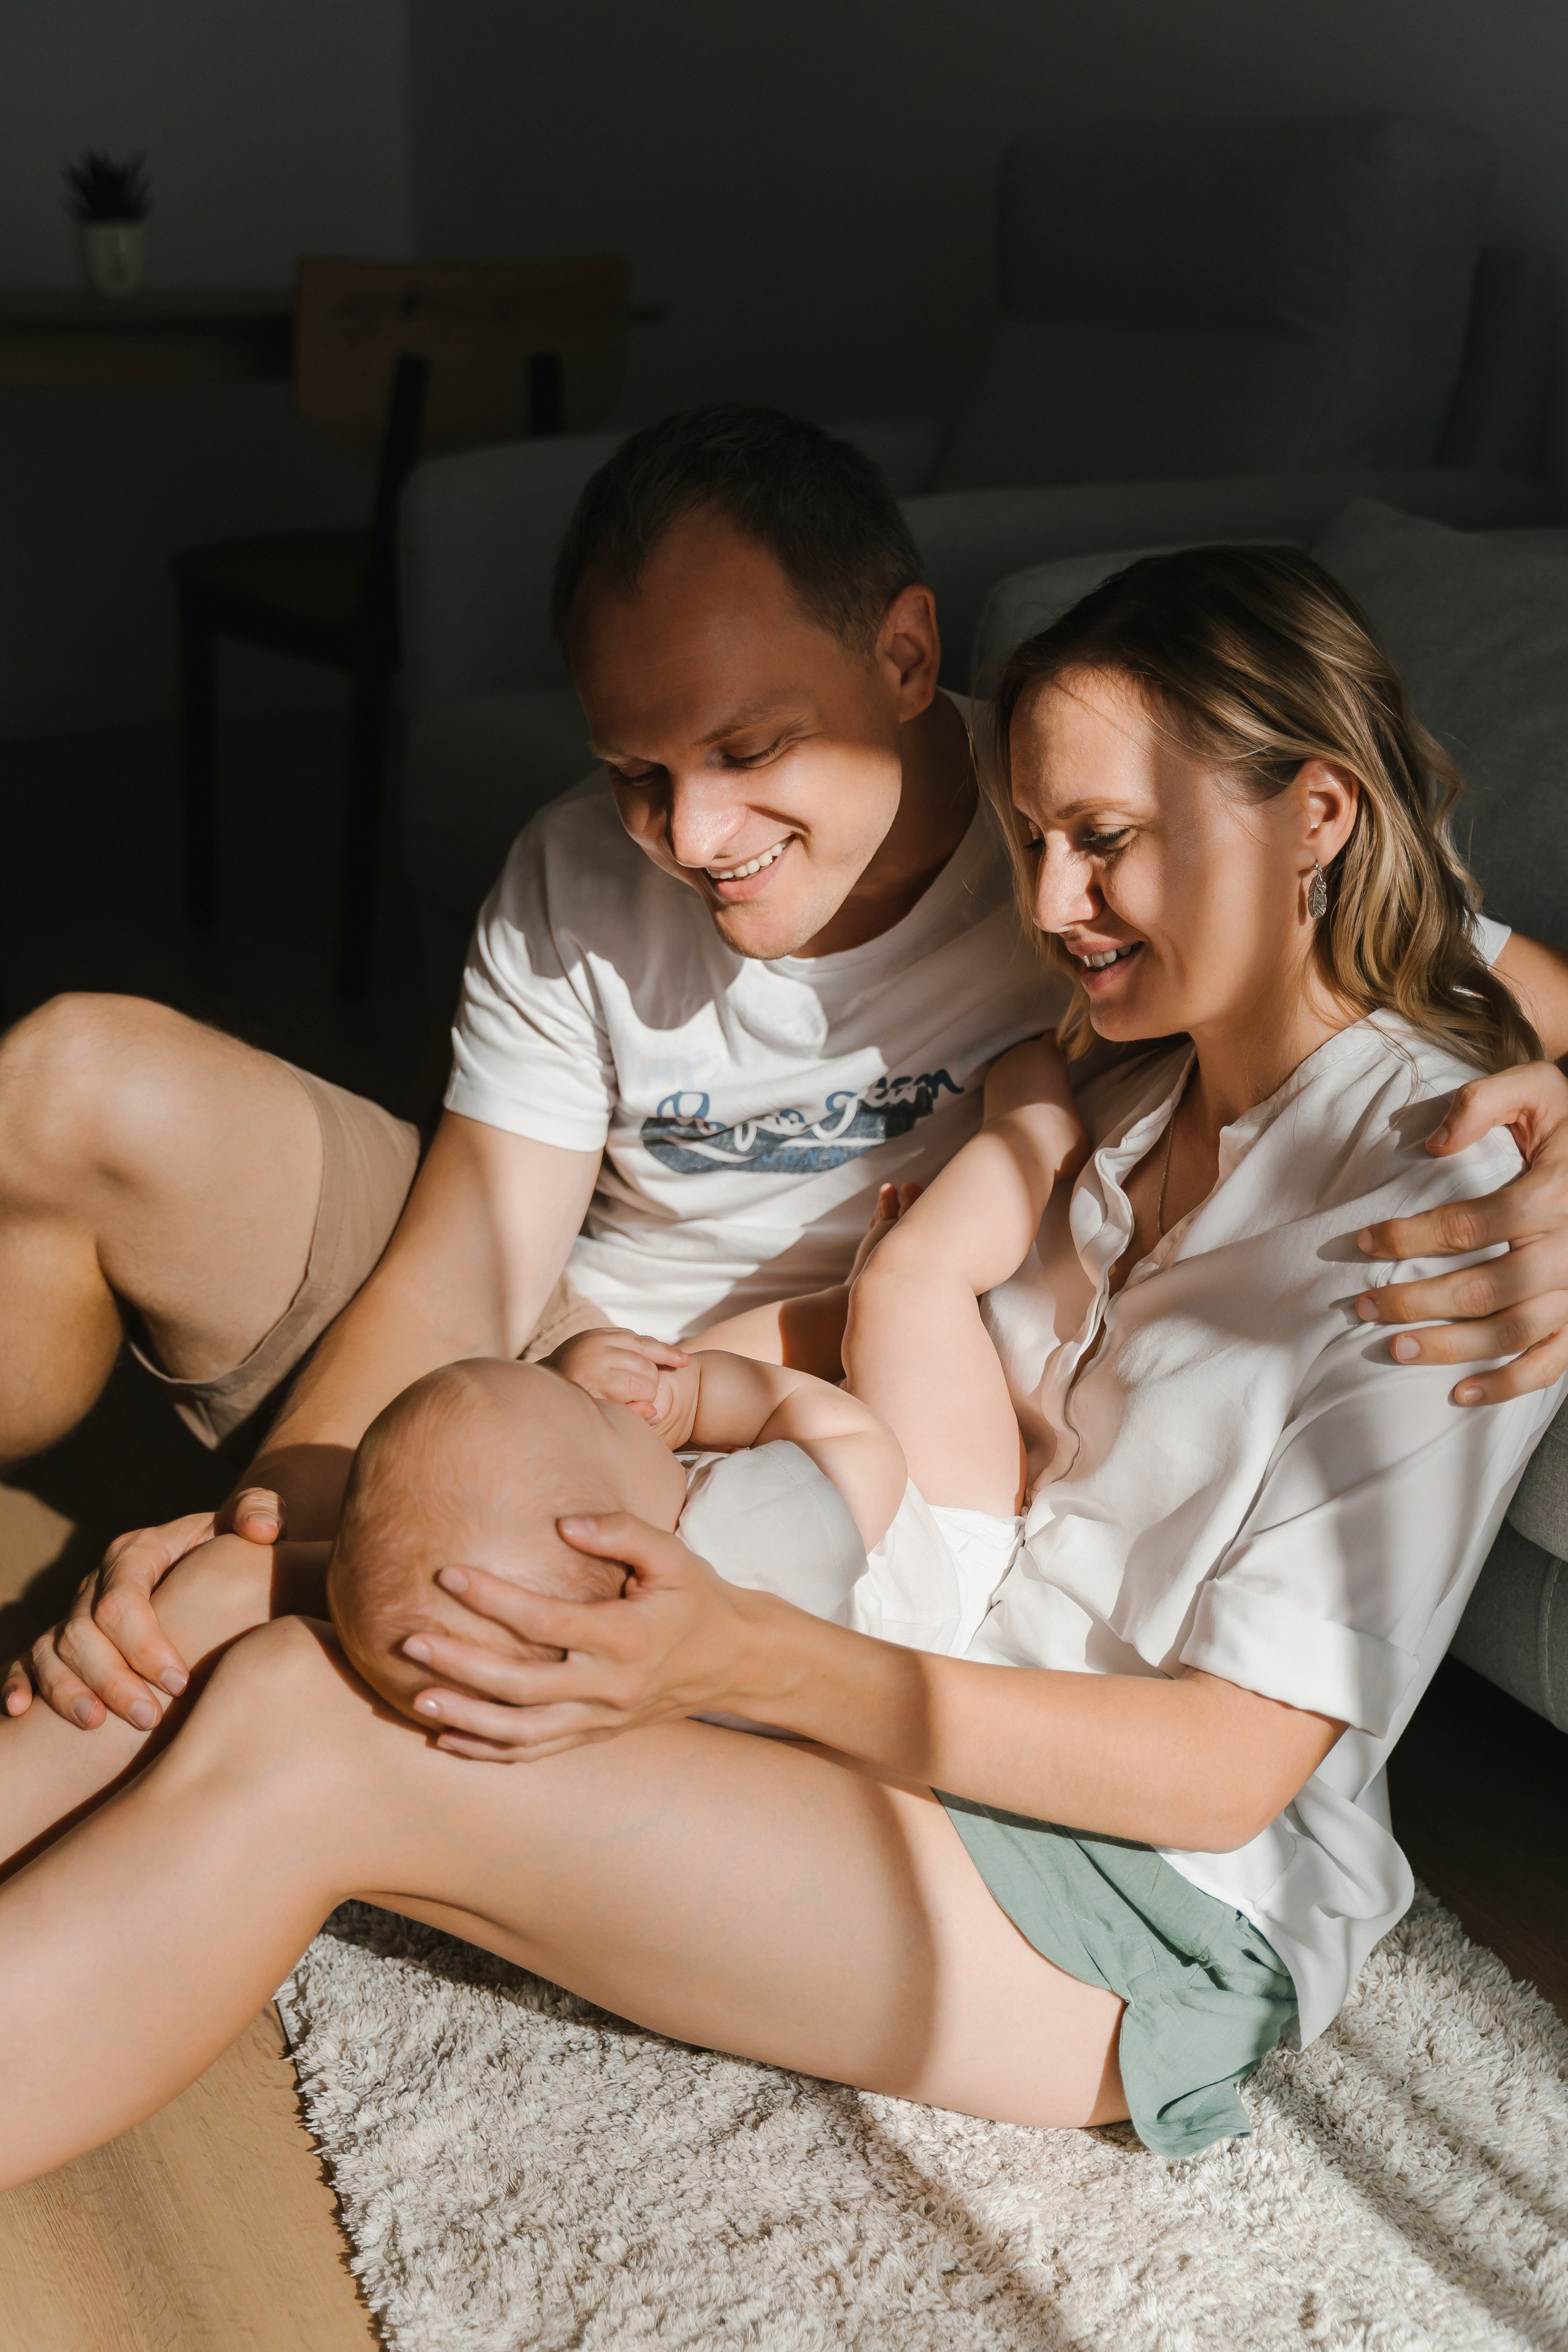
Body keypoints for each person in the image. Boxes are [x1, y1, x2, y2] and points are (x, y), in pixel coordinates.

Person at [1, 543, 1562, 2188]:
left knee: (304, 1730)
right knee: (233, 1611)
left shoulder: (1454, 1214)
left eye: (1104, 843)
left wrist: (734, 1659)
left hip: (1131, 1902)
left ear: (1313, 819)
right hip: (903, 1678)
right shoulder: (1120, 1085)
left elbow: (1228, 1768)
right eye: (1037, 842)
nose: (1047, 906)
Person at [3, 407, 1567, 1717]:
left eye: (750, 752)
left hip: (802, 1436)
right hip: (564, 1348)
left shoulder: (1086, 853)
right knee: (68, 1075)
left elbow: (1405, 951)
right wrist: (263, 1524)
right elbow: (467, 1267)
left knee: (270, 1633)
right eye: (638, 771)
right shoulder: (576, 878)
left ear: (902, 656)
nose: (691, 839)